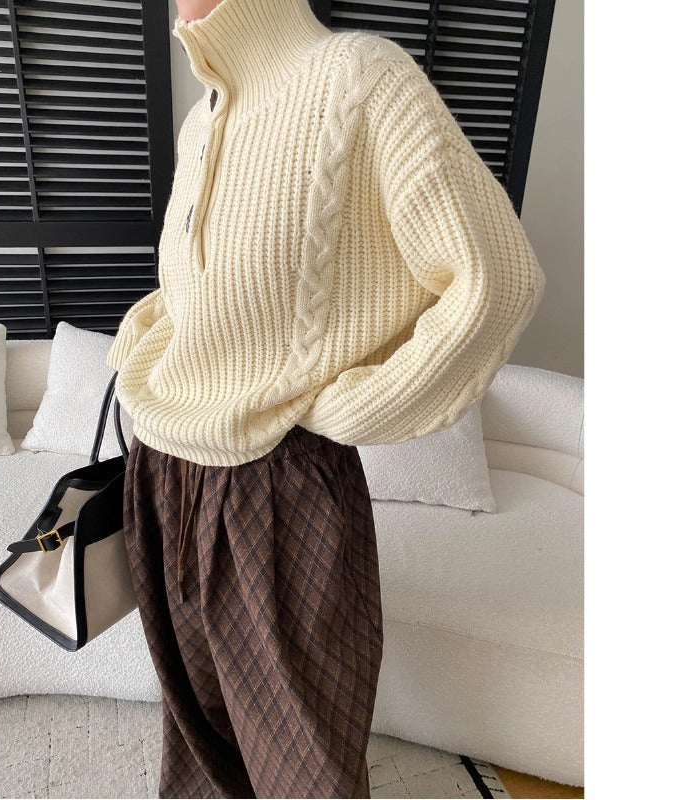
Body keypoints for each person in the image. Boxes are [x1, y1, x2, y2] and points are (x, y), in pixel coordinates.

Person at [107, 0, 546, 797]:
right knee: (201, 752)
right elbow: (197, 295)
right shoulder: (204, 116)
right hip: (161, 476)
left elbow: (497, 279)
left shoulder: (363, 79)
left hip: (277, 491)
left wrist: (354, 408)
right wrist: (145, 344)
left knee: (306, 772)